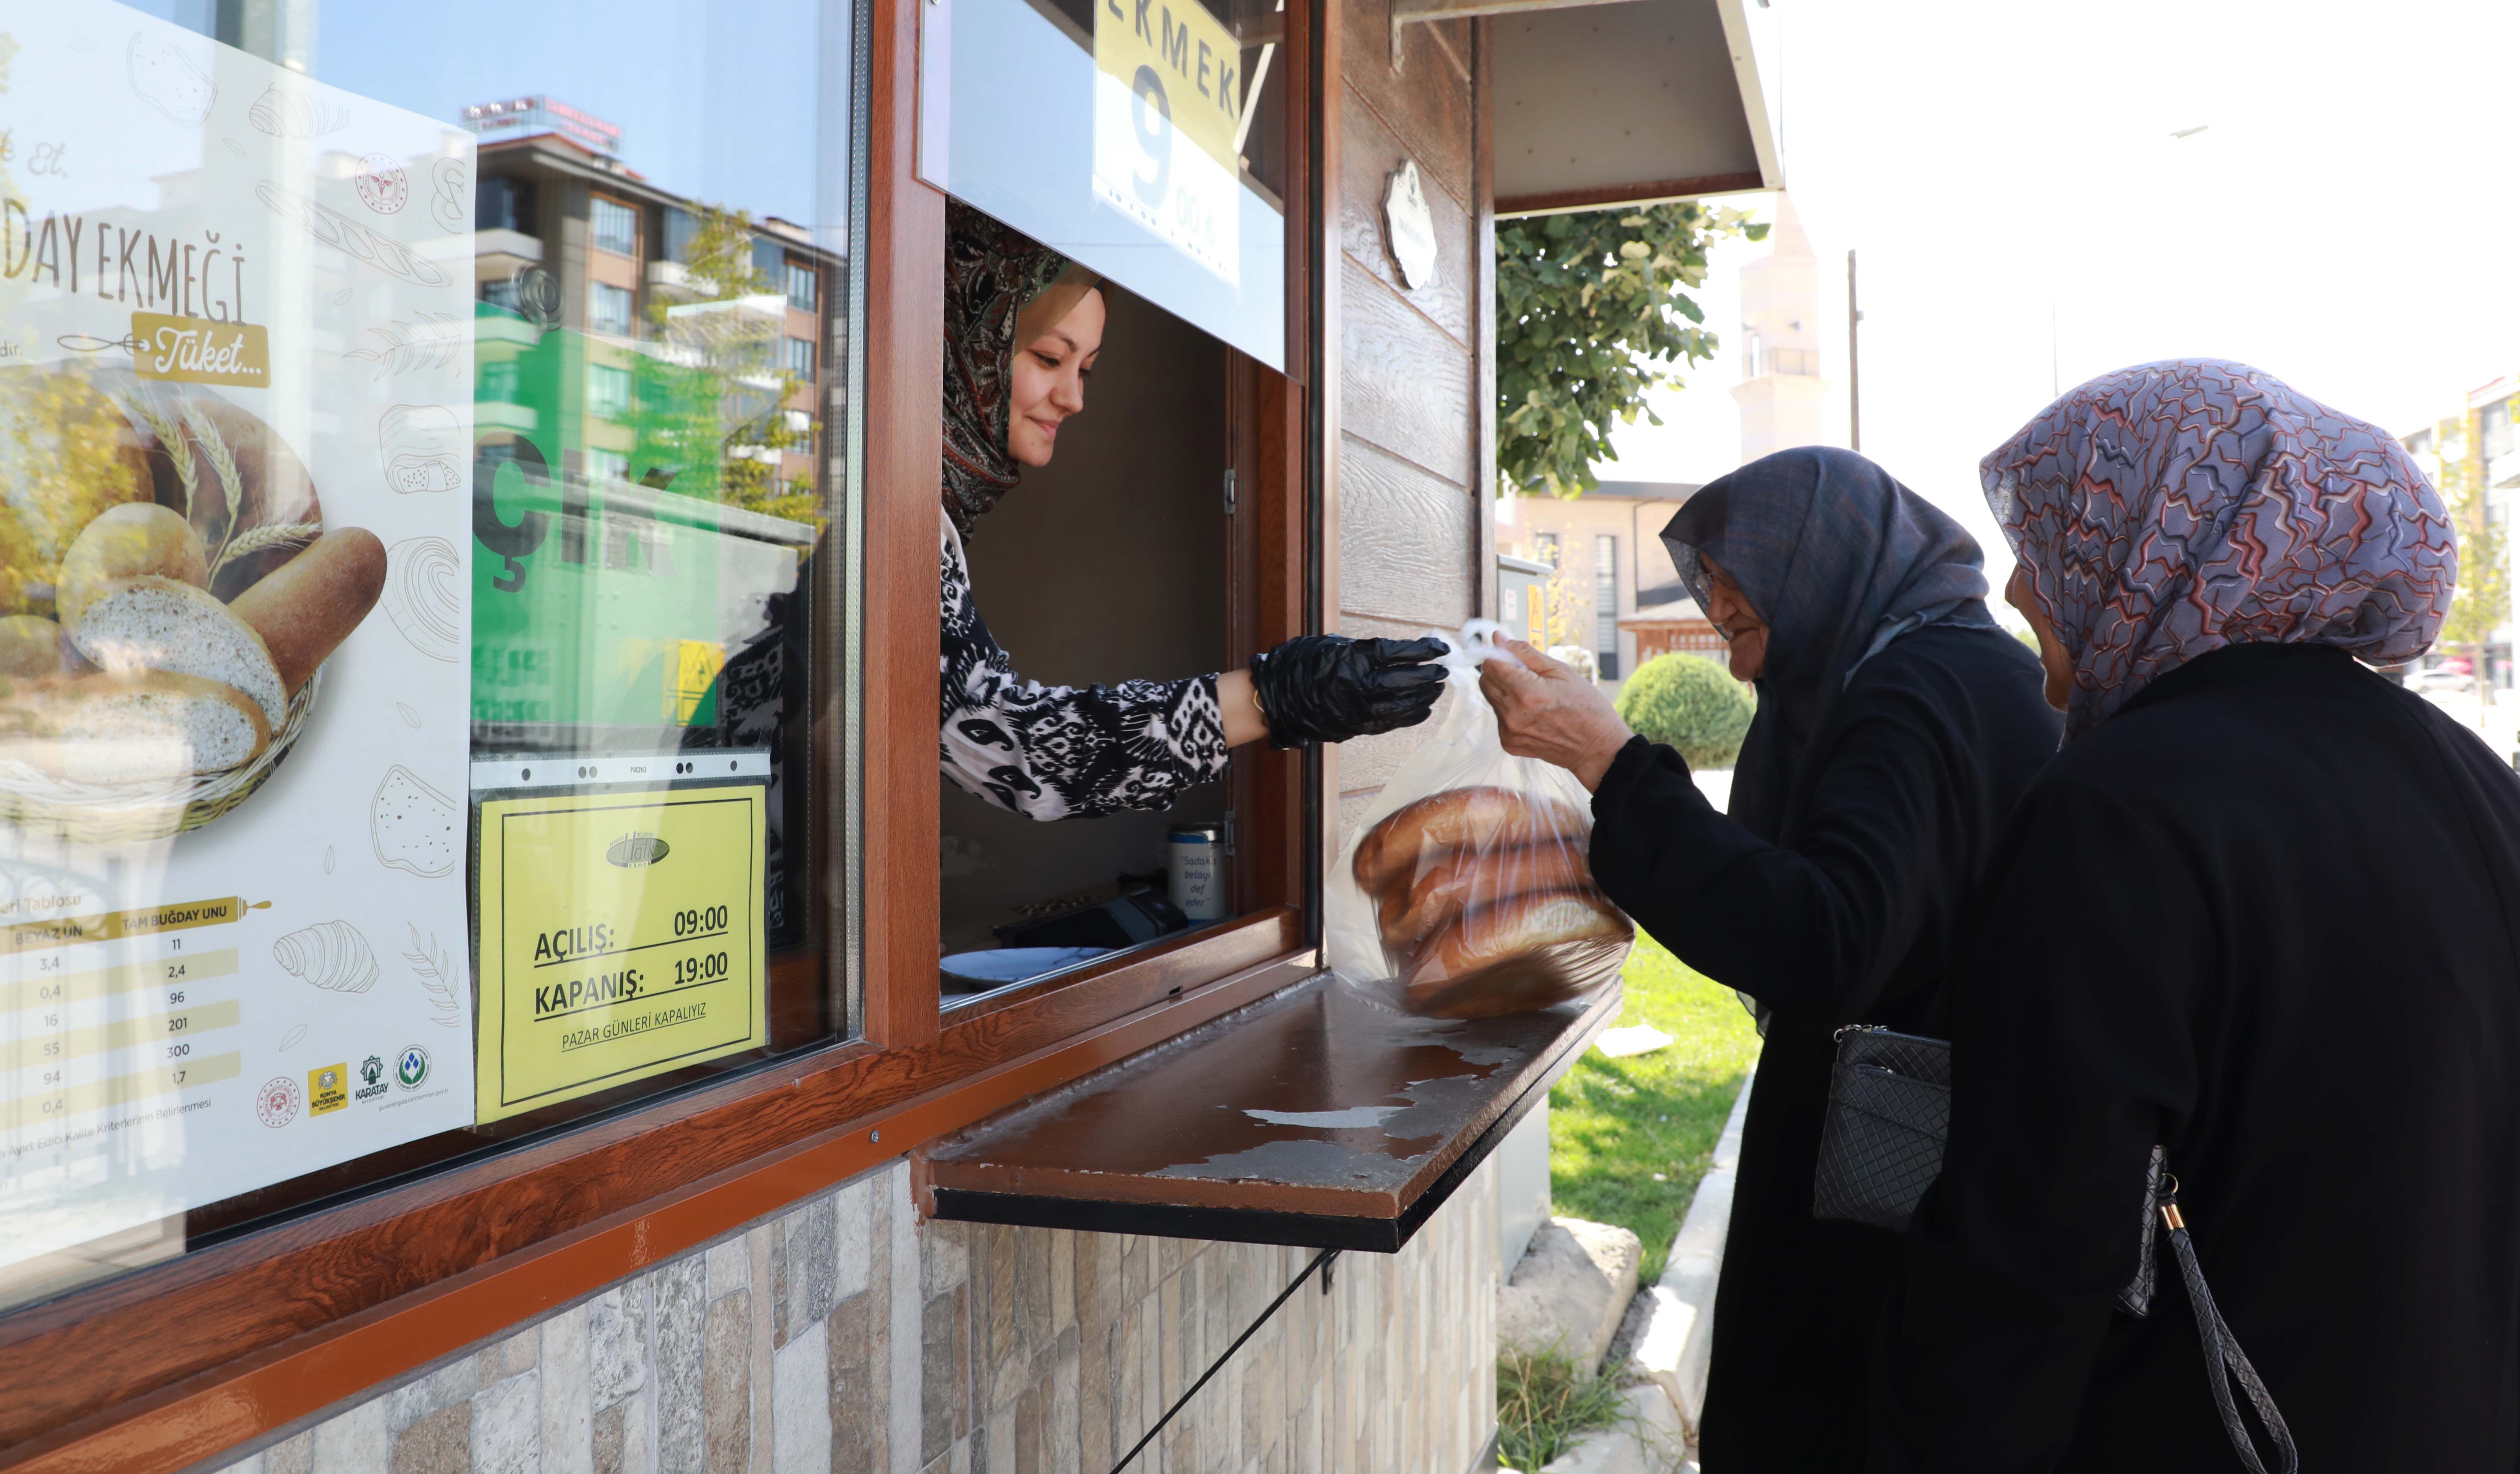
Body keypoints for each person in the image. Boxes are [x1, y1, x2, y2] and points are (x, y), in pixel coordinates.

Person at [1871, 360, 2517, 1471]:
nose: (2024, 589)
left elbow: (2028, 1255)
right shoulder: (2471, 776)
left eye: (2061, 531)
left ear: (2170, 541)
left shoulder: (2118, 810)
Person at [1479, 446, 2062, 1469]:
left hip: (1884, 1206)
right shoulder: (1969, 668)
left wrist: (1614, 767)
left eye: (1748, 628)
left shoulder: (1913, 696)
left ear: (1823, 576)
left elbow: (1827, 940)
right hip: (1968, 1179)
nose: (1743, 668)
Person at [937, 203, 1443, 819]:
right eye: (1048, 357)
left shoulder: (927, 505)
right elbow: (1017, 747)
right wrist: (1275, 696)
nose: (1073, 398)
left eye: (1086, 369)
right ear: (971, 337)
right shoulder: (891, 516)